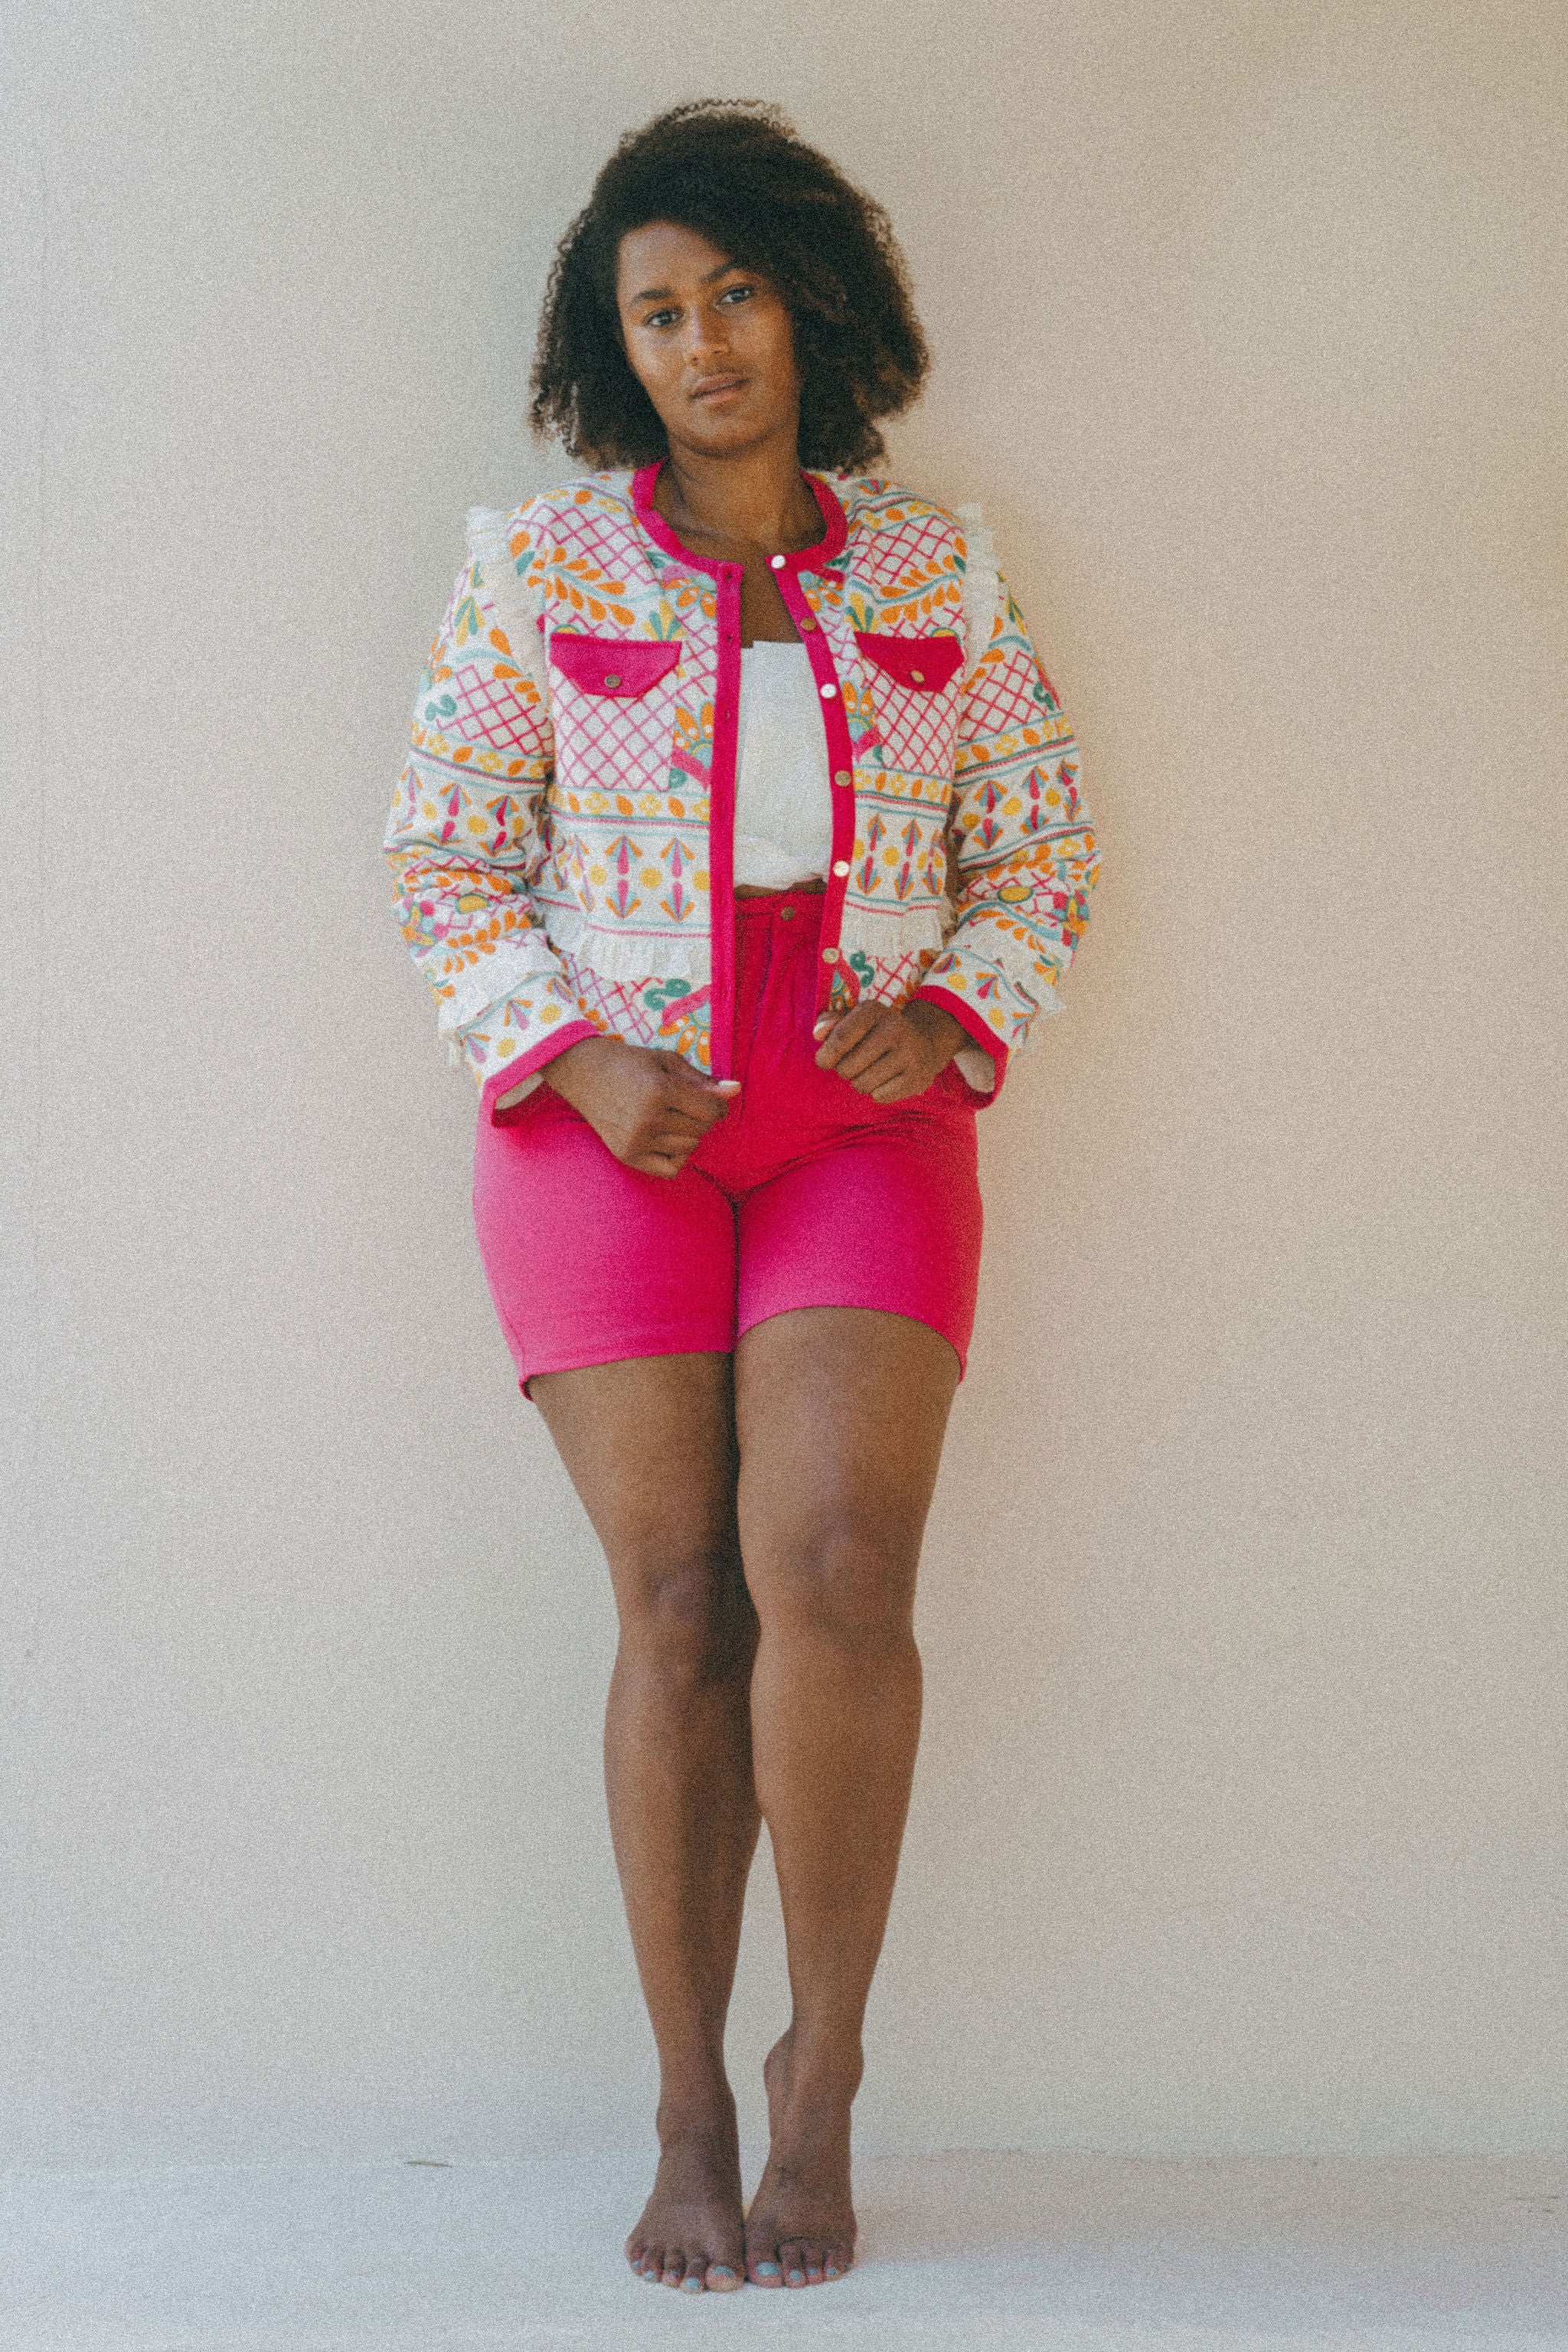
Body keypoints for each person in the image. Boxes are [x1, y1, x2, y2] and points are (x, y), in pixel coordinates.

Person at [384, 99, 1100, 2295]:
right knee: (684, 1600)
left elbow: (1044, 851)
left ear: (814, 303)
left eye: (739, 294)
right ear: (620, 353)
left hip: (862, 1124)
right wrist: (577, 1053)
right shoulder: (537, 571)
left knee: (844, 1566)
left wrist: (957, 1005)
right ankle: (687, 2098)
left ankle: (826, 2078)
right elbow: (443, 857)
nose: (705, 343)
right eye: (659, 314)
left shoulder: (939, 573)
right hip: (611, 1124)